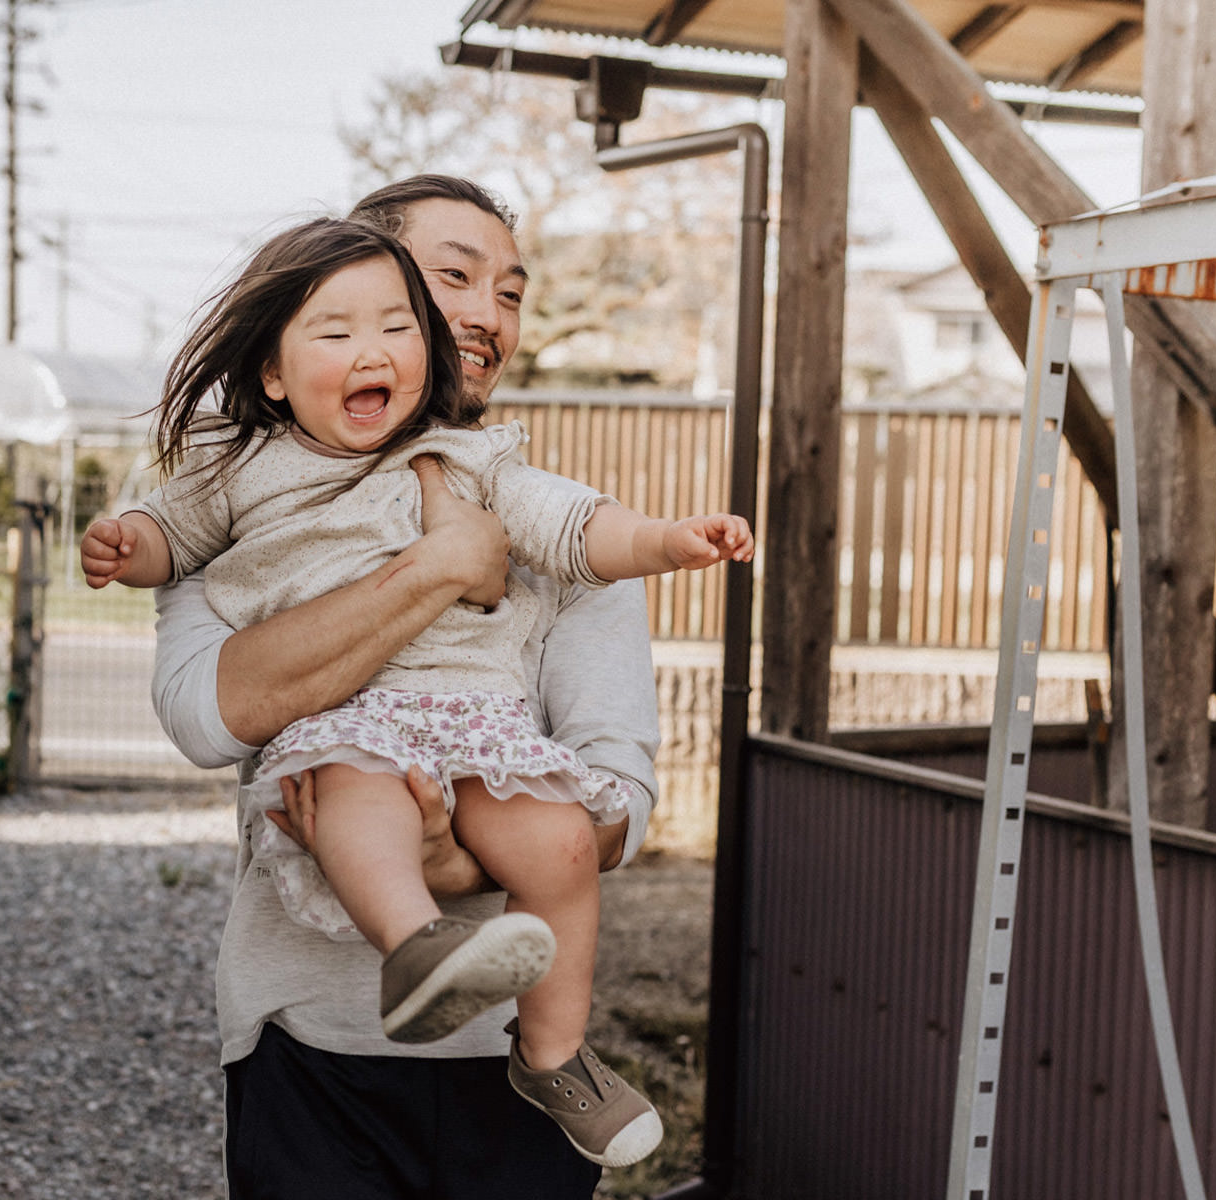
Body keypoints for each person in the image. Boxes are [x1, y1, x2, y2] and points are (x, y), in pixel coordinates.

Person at [94, 208, 748, 1178]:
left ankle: (554, 1055)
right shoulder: (237, 481)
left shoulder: (492, 475)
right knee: (358, 786)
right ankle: (418, 949)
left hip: (478, 801)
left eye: (509, 291)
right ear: (280, 362)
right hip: (306, 1040)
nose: (483, 312)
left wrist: (663, 540)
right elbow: (203, 713)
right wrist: (440, 564)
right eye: (451, 278)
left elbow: (618, 792)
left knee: (564, 835)